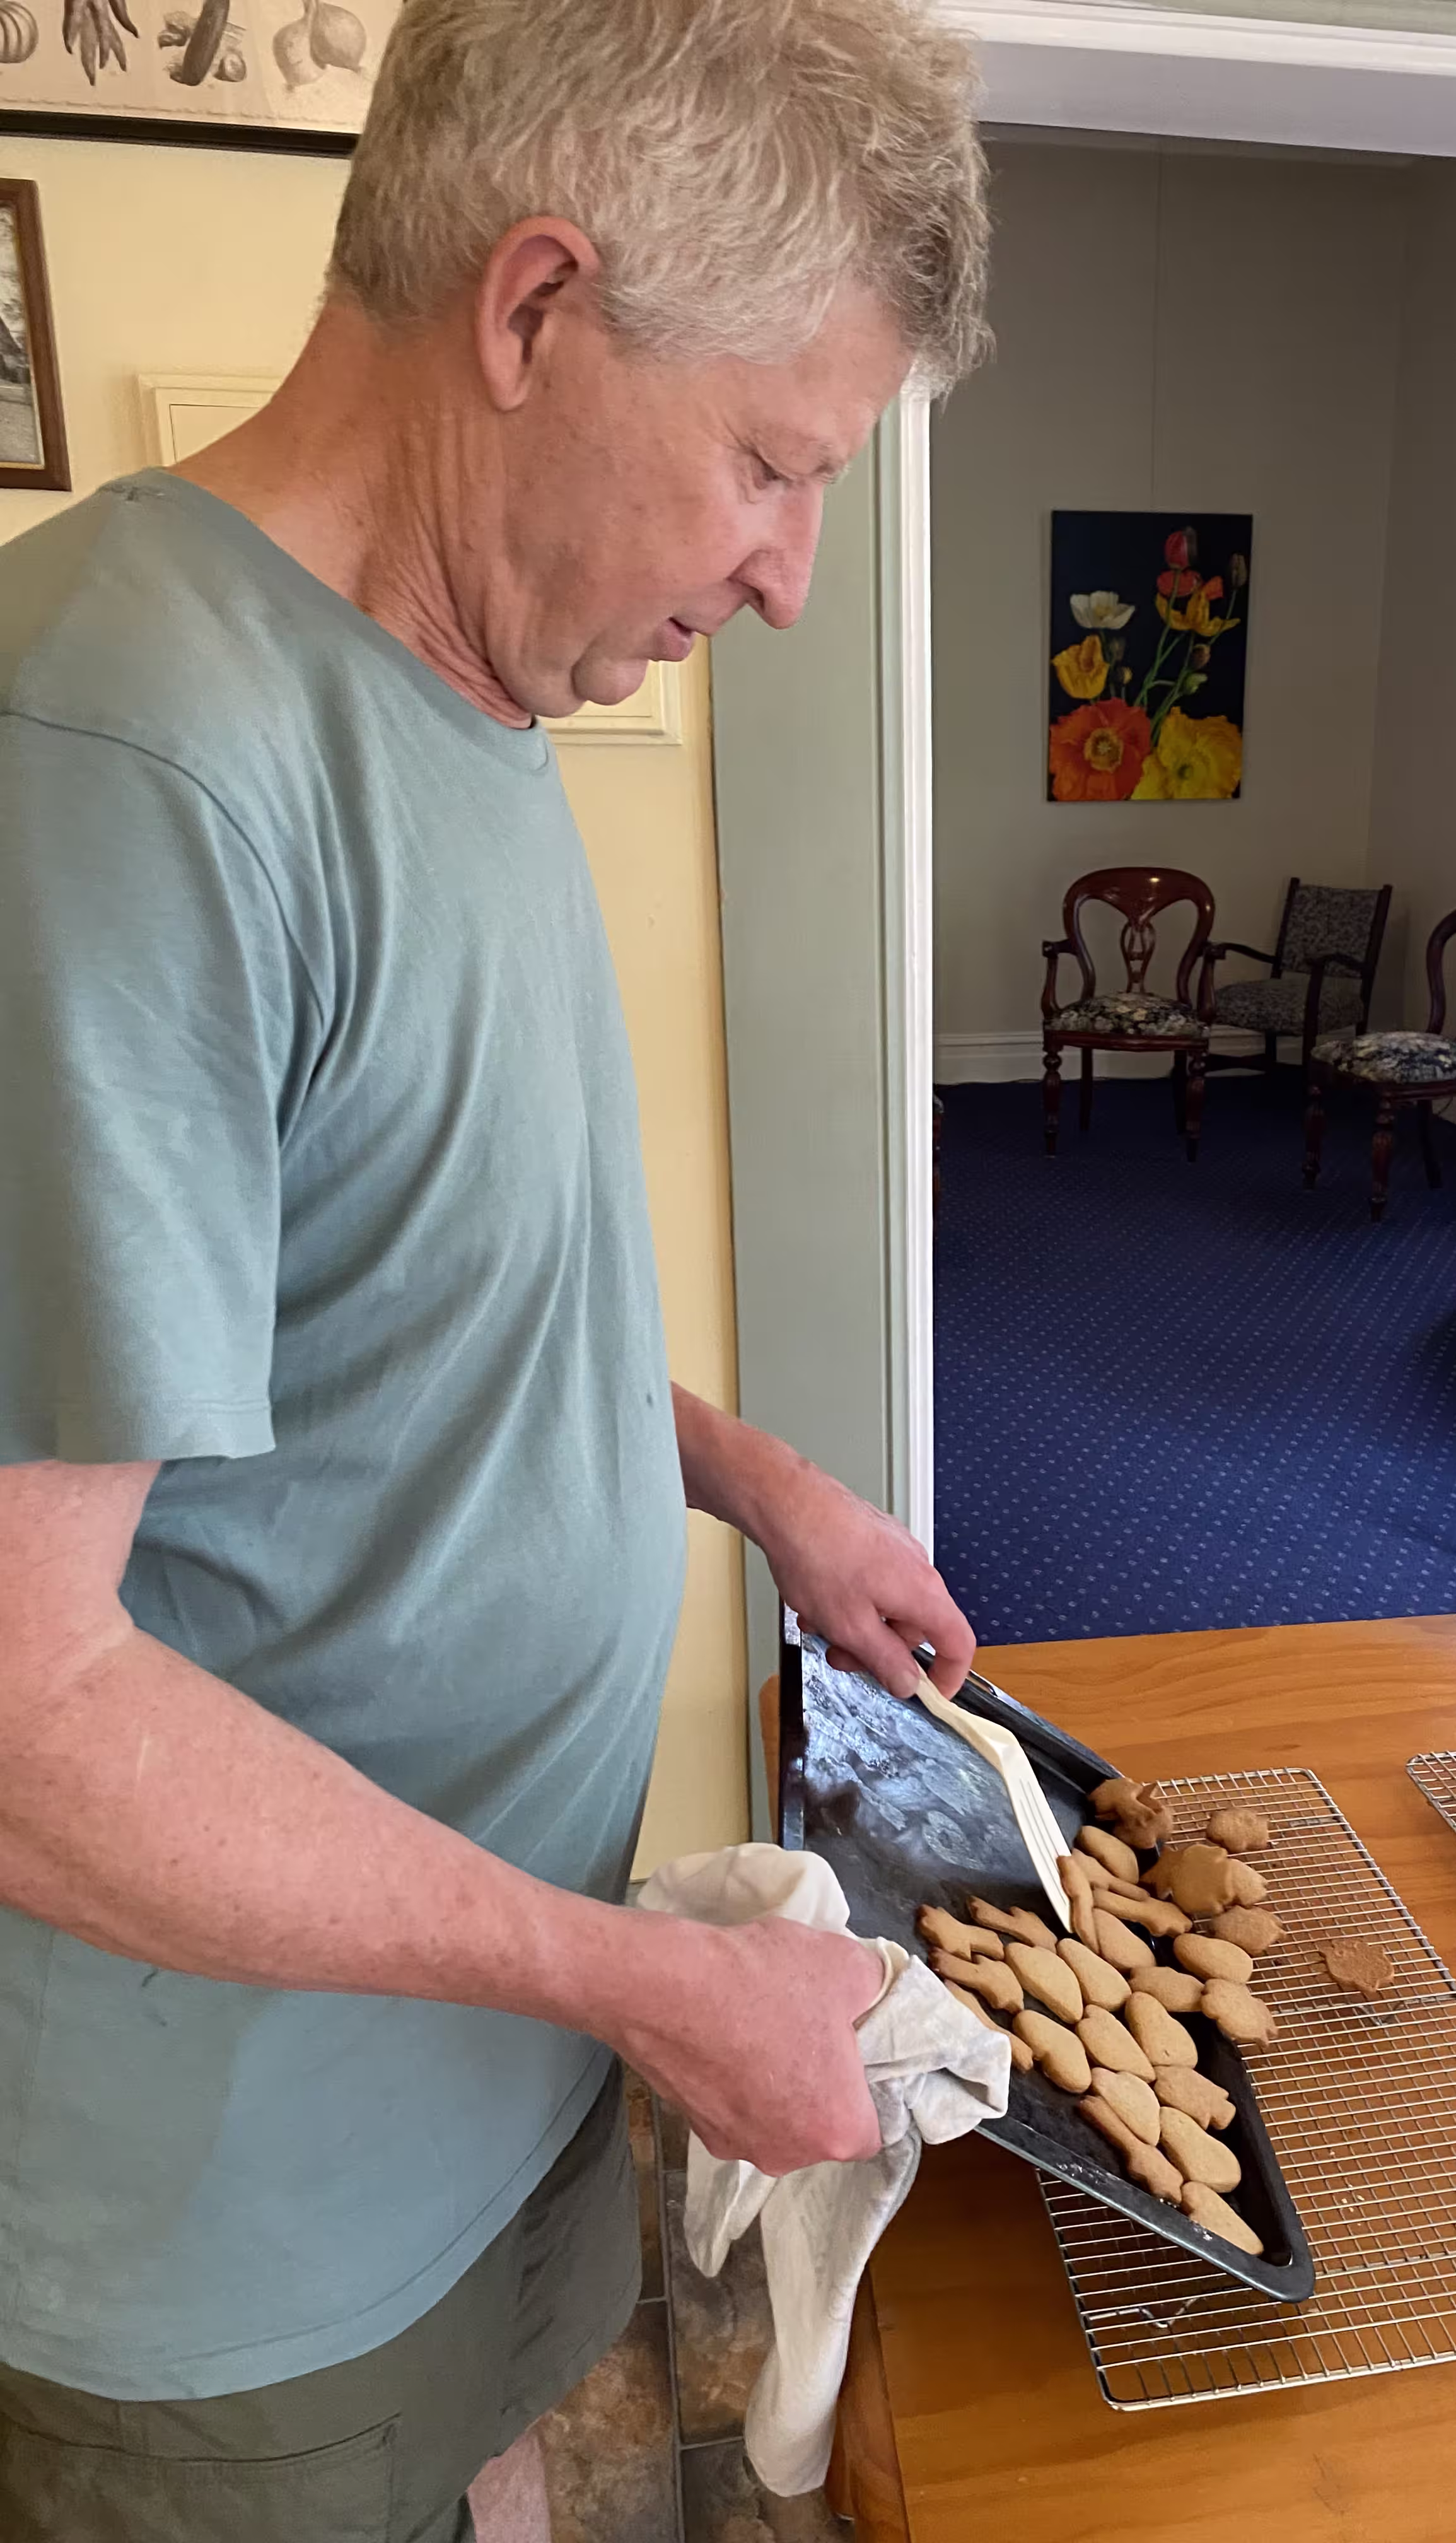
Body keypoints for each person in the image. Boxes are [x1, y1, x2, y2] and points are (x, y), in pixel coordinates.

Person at [0, 1, 989, 2534]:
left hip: (474, 2055)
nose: (786, 579)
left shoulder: (472, 690)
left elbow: (399, 1309)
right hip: (237, 2219)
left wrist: (758, 1476)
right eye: (774, 465)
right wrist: (647, 1982)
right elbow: (25, 1710)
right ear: (534, 311)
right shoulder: (120, 761)